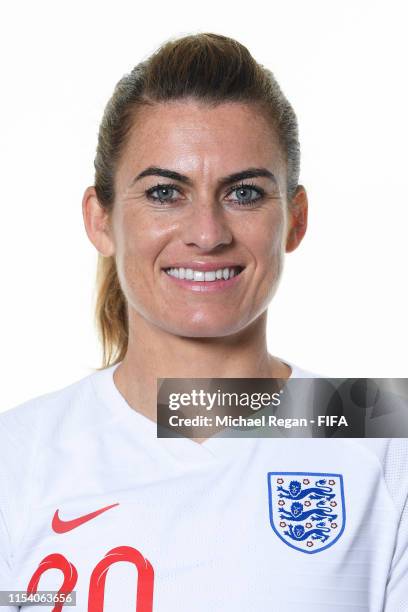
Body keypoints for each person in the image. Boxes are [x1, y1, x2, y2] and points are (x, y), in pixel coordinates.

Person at [0, 33, 407, 612]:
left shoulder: (381, 431)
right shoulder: (17, 457)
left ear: (295, 220)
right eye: (166, 192)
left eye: (243, 192)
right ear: (100, 219)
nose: (208, 233)